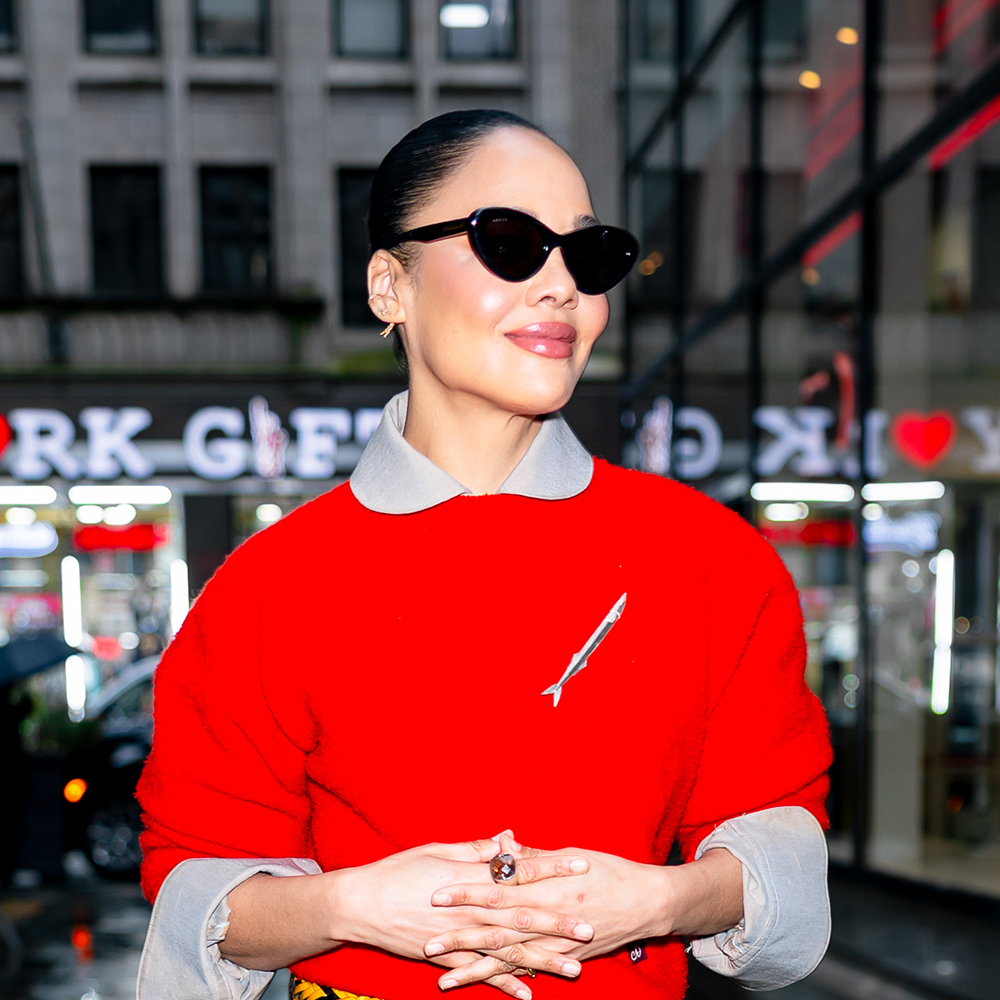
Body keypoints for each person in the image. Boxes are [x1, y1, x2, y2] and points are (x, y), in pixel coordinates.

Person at [135, 110, 832, 1000]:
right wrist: (353, 906)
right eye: (509, 243)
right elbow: (198, 884)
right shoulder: (271, 585)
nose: (561, 289)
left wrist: (660, 900)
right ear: (390, 285)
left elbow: (780, 837)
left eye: (588, 257)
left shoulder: (709, 559)